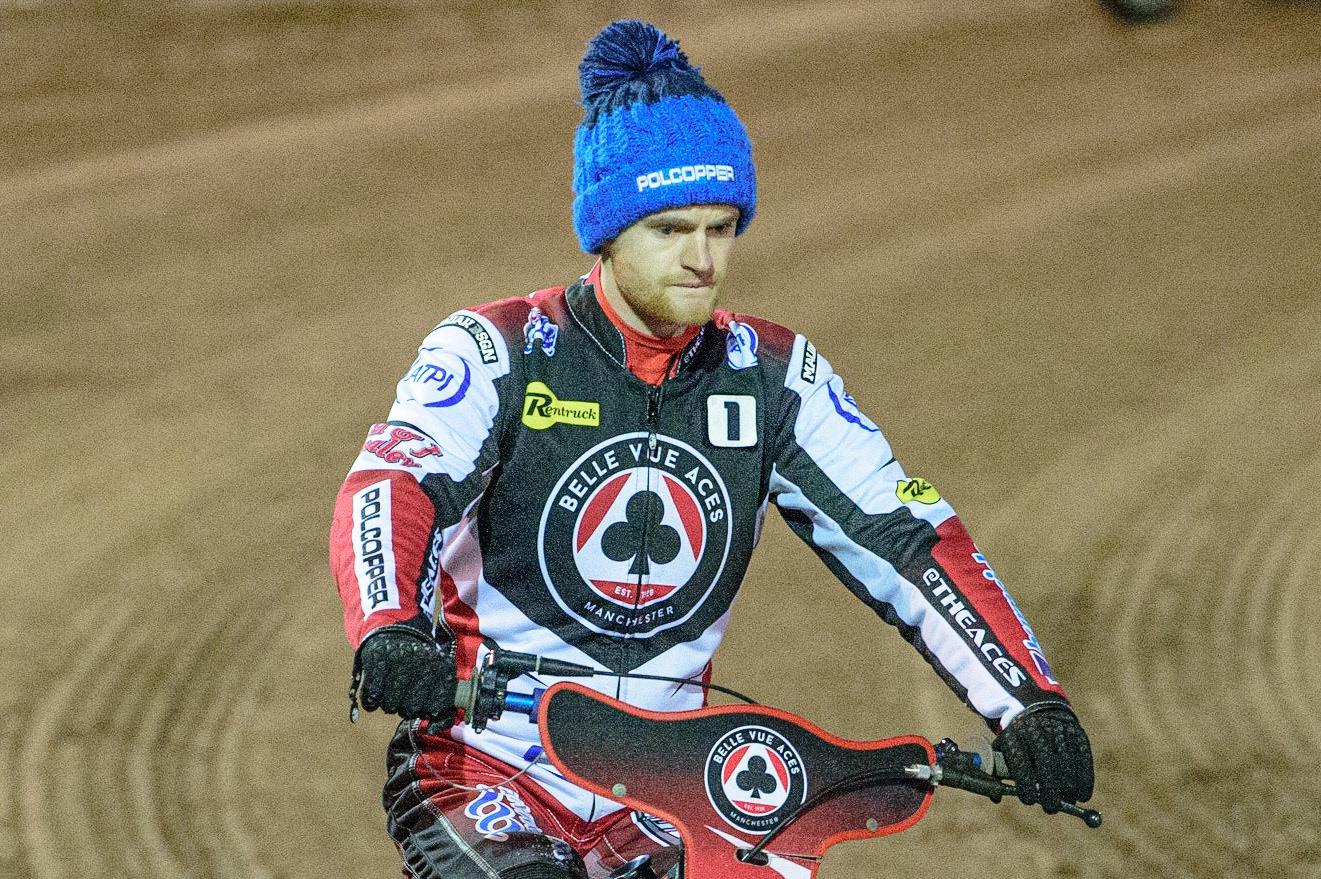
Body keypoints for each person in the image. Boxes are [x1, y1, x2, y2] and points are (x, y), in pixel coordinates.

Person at [329, 19, 1094, 879]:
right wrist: (389, 627)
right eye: (669, 229)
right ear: (607, 232)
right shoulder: (495, 349)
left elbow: (905, 538)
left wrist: (1027, 701)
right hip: (481, 770)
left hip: (669, 792)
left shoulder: (773, 376)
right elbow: (393, 485)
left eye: (722, 227)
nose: (702, 259)